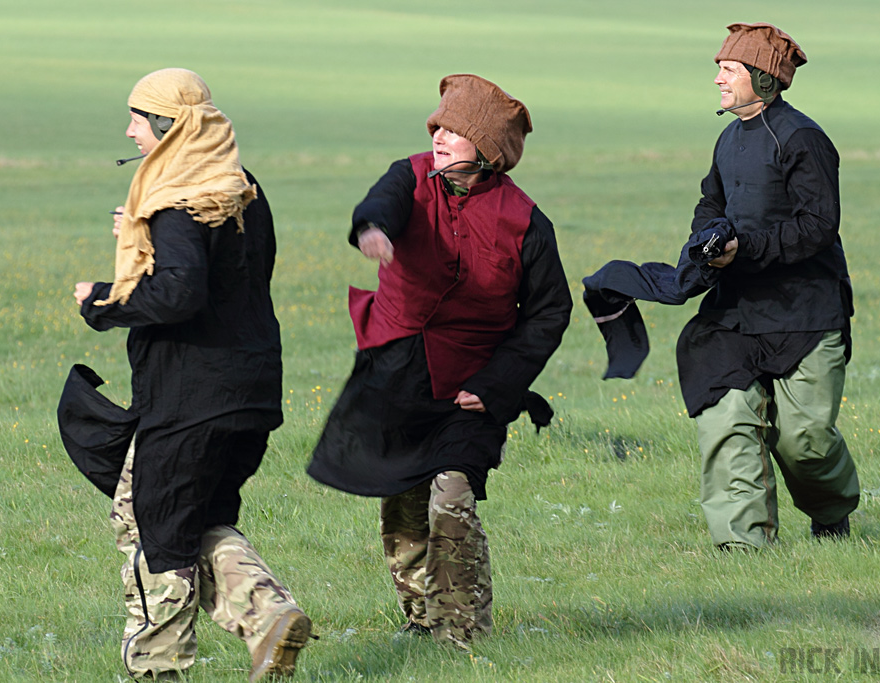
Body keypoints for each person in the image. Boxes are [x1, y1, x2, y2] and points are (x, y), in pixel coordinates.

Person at [306, 74, 571, 648]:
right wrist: (372, 228)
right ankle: (422, 618)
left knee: (451, 496)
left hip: (471, 387)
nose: (441, 137)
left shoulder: (526, 222)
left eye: (457, 131)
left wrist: (499, 385)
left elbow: (549, 313)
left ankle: (464, 634)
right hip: (398, 371)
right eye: (439, 126)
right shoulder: (408, 176)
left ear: (489, 150)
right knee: (402, 501)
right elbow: (382, 203)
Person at [69, 68, 311, 680]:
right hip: (250, 392)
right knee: (197, 520)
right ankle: (268, 614)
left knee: (150, 523)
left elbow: (179, 294)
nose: (129, 130)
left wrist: (103, 298)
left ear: (168, 127)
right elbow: (239, 272)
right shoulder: (239, 188)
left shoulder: (177, 197)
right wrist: (143, 238)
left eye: (137, 119)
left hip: (191, 396)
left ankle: (162, 668)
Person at [677, 23, 860, 549]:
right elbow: (711, 201)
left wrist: (746, 249)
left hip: (807, 312)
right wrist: (709, 237)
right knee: (728, 422)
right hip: (735, 312)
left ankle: (832, 513)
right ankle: (743, 548)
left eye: (728, 69)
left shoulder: (803, 138)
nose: (717, 79)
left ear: (761, 78)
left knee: (806, 442)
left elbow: (819, 225)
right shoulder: (729, 137)